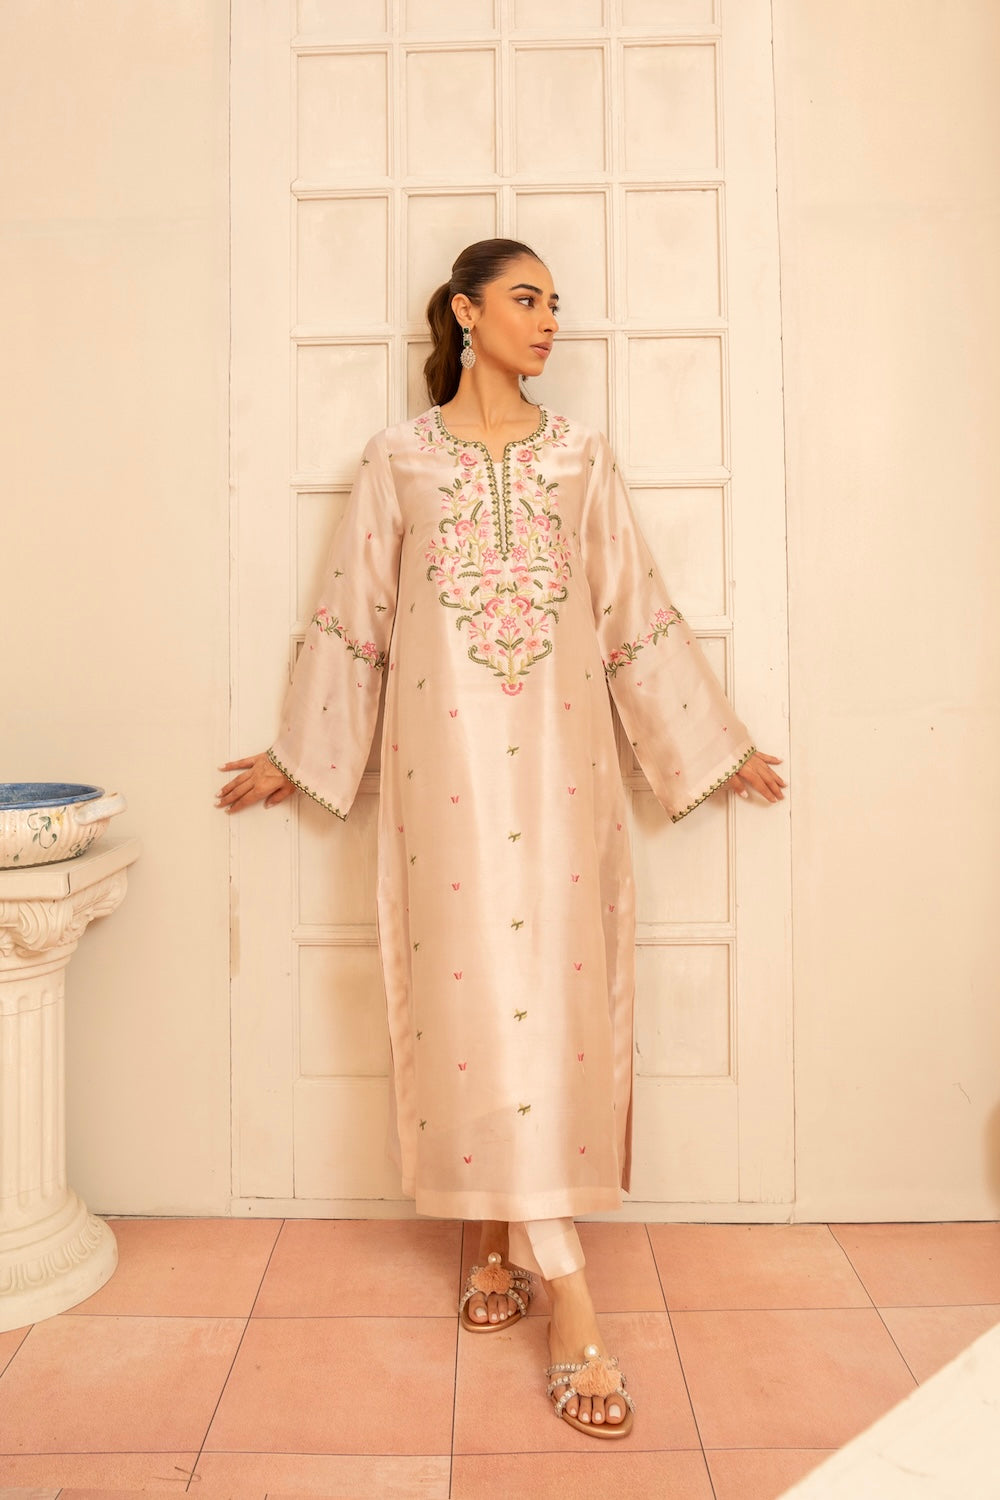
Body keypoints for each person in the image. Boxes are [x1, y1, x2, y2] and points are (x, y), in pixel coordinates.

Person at [217, 237, 785, 1438]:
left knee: (551, 1004)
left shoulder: (580, 456)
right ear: (465, 312)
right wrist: (297, 751)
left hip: (566, 773)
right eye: (526, 299)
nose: (549, 321)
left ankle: (504, 1246)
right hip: (443, 780)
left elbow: (633, 613)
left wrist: (712, 744)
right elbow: (354, 616)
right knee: (471, 1004)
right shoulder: (397, 459)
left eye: (555, 304)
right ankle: (554, 1283)